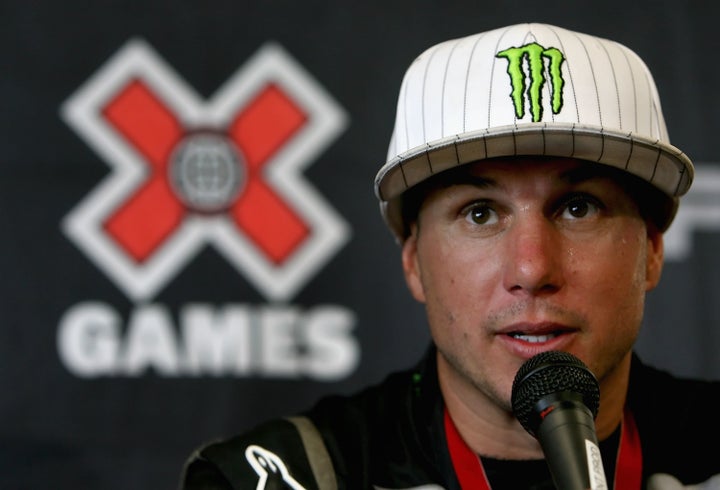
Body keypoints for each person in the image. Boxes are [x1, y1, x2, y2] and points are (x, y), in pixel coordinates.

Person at [180, 23, 720, 489]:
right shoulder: (279, 477)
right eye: (480, 213)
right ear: (414, 260)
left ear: (651, 249)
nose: (532, 269)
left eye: (578, 208)